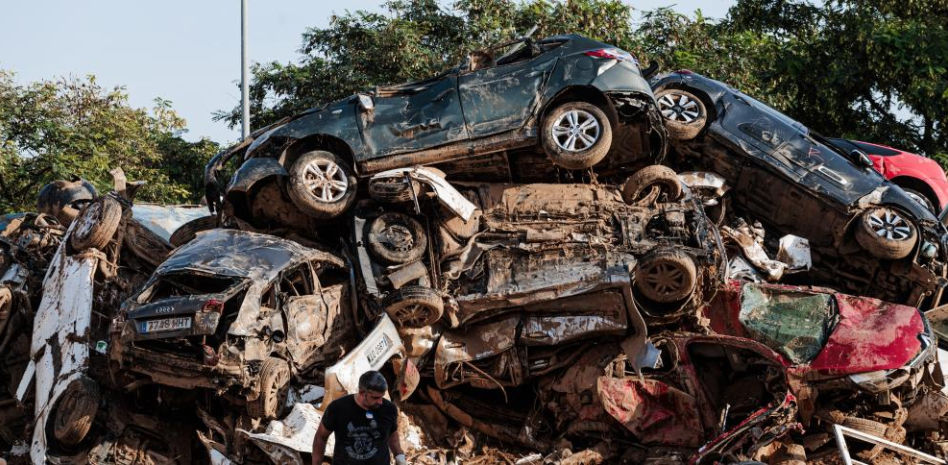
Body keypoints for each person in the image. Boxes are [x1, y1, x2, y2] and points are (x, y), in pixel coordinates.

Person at [312, 371, 407, 465]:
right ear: (362, 393)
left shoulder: (388, 409)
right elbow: (320, 437)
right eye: (375, 397)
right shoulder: (338, 408)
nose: (380, 402)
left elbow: (392, 435)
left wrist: (399, 456)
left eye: (381, 397)